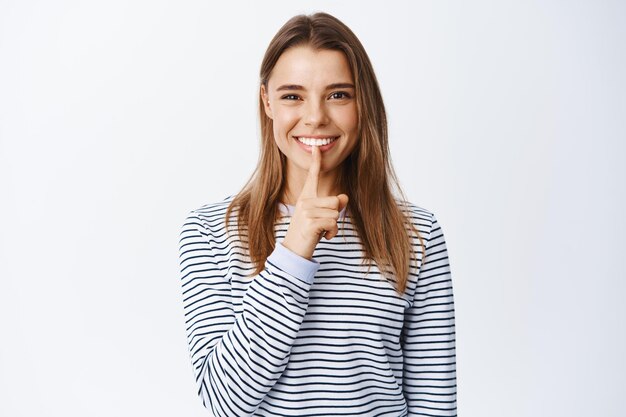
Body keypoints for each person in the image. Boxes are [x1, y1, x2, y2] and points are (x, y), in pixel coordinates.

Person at [178, 11, 457, 417]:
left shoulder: (415, 233)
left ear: (363, 103)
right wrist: (293, 251)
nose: (315, 117)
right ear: (267, 102)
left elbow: (435, 403)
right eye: (293, 95)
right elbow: (225, 401)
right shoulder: (208, 231)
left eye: (338, 94)